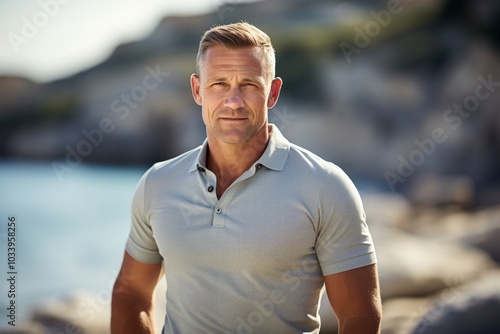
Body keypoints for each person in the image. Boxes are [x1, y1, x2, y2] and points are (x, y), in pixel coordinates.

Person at [111, 22, 382, 334]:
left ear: (273, 92)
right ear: (198, 90)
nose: (234, 101)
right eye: (219, 85)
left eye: (250, 85)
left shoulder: (325, 186)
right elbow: (130, 293)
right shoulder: (157, 183)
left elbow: (360, 316)